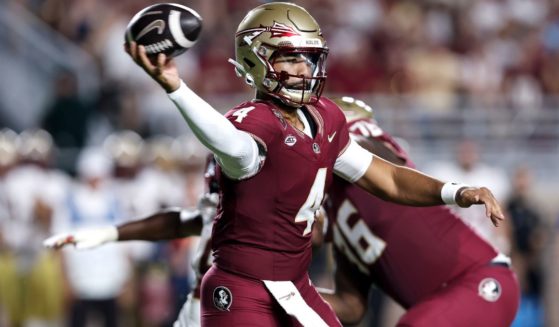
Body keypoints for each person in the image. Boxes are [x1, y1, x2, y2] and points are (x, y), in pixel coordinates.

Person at [53, 2, 504, 326]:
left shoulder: (326, 117)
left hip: (295, 285)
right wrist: (176, 87)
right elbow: (230, 144)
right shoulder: (253, 123)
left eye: (309, 58)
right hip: (240, 286)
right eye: (291, 57)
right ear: (257, 58)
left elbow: (384, 177)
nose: (305, 69)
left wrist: (455, 192)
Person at [319, 97, 520, 327]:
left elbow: (378, 158)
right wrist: (287, 296)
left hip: (479, 279)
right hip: (445, 302)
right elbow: (351, 305)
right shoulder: (336, 211)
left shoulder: (365, 155)